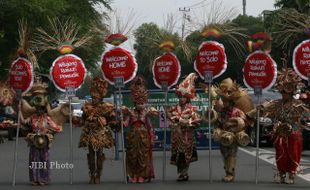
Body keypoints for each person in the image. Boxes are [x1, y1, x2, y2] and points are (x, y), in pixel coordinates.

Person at [249, 68, 310, 184]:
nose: (283, 95)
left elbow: (305, 116)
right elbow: (265, 109)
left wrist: (297, 121)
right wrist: (258, 110)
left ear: (290, 93)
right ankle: (281, 174)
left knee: (293, 153)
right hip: (280, 132)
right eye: (282, 93)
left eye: (285, 93)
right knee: (280, 153)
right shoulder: (277, 104)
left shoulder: (298, 105)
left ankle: (291, 174)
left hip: (294, 132)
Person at [19, 77, 69, 185]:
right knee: (34, 161)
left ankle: (44, 179)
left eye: (42, 109)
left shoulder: (47, 118)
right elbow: (23, 121)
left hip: (45, 142)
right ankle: (35, 179)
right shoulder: (32, 117)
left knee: (44, 161)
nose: (40, 110)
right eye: (38, 109)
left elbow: (55, 126)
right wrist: (19, 111)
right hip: (34, 141)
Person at [73, 76, 119, 184]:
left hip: (101, 134)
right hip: (89, 134)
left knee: (99, 154)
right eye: (93, 98)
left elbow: (111, 121)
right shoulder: (87, 107)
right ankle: (92, 173)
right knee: (91, 154)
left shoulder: (106, 107)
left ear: (100, 99)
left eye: (96, 98)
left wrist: (116, 123)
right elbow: (82, 120)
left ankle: (98, 174)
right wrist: (74, 119)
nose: (94, 100)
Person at [211, 78, 250, 183]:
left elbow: (244, 123)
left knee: (232, 153)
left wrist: (236, 125)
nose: (224, 102)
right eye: (223, 100)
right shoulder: (222, 111)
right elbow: (217, 122)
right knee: (224, 154)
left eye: (226, 101)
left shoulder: (237, 111)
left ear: (231, 101)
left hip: (233, 136)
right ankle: (228, 171)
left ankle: (230, 174)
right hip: (223, 136)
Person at [122, 76, 158, 183]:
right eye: (138, 103)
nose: (141, 105)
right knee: (132, 156)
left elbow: (150, 126)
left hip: (144, 138)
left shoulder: (147, 113)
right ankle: (133, 175)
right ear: (135, 103)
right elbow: (125, 124)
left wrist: (151, 138)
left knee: (143, 156)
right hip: (132, 138)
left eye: (142, 103)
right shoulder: (130, 112)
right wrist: (119, 121)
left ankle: (143, 175)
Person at [168, 73, 201, 182]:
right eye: (180, 97)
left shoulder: (191, 109)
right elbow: (170, 121)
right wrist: (172, 122)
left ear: (187, 98)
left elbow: (197, 121)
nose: (182, 99)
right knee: (178, 156)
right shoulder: (174, 108)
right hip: (177, 136)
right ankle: (181, 173)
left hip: (187, 136)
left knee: (185, 155)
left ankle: (184, 173)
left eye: (184, 97)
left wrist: (186, 122)